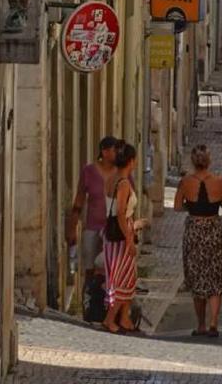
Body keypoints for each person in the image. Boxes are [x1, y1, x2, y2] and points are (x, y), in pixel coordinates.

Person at [174, 144, 222, 338]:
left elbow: (176, 207)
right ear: (209, 161)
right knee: (215, 277)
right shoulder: (220, 182)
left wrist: (191, 206)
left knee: (197, 277)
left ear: (192, 161)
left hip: (194, 231)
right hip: (213, 230)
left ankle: (200, 325)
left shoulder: (185, 182)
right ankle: (214, 322)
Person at [68, 135, 120, 299]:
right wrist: (72, 228)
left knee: (111, 269)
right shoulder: (89, 171)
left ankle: (108, 304)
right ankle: (88, 302)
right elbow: (79, 200)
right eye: (114, 150)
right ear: (104, 152)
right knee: (90, 269)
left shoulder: (121, 172)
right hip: (92, 227)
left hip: (112, 230)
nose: (117, 153)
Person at [99, 142, 143, 334]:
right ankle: (110, 319)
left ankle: (124, 318)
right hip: (121, 236)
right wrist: (129, 240)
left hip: (112, 235)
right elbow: (120, 213)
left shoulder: (110, 179)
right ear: (131, 161)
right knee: (123, 280)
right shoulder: (123, 183)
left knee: (121, 277)